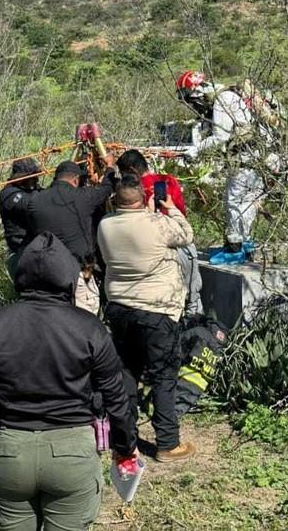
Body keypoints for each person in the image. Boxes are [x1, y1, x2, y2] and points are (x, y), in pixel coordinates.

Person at [0, 232, 139, 531]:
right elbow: (117, 396)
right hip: (73, 454)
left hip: (11, 450)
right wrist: (125, 444)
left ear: (19, 276)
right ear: (69, 279)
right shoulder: (90, 328)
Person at [96, 176, 197, 461]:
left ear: (115, 200)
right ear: (144, 197)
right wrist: (169, 208)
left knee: (127, 373)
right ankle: (167, 442)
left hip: (120, 308)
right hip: (158, 308)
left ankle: (124, 441)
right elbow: (186, 235)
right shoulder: (156, 223)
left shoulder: (105, 225)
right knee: (163, 376)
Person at [175, 70, 272, 265]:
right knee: (246, 202)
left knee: (234, 202)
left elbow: (221, 136)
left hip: (246, 159)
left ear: (196, 92)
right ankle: (246, 244)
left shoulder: (222, 100)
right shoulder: (231, 95)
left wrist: (194, 151)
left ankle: (236, 249)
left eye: (190, 99)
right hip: (256, 158)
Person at [115, 149, 202, 316]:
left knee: (166, 302)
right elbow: (181, 211)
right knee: (193, 298)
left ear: (132, 171)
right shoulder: (169, 180)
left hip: (156, 252)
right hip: (183, 245)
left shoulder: (134, 191)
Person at [23, 159, 117, 315]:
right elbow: (107, 188)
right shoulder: (82, 197)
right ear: (75, 180)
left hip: (47, 275)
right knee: (84, 323)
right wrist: (109, 168)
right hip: (79, 272)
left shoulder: (34, 202)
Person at [0, 157, 42, 282]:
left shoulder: (34, 190)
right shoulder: (8, 194)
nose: (36, 180)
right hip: (20, 254)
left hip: (37, 251)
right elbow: (32, 205)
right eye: (32, 177)